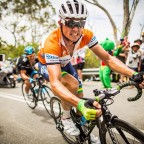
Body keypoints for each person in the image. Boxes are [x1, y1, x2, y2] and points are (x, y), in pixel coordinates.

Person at [37, 0, 144, 142]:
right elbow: (55, 82)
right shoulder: (52, 42)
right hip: (47, 64)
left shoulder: (86, 35)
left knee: (80, 97)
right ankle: (66, 117)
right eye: (70, 23)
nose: (76, 29)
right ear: (60, 22)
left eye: (80, 23)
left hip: (65, 62)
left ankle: (84, 129)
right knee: (72, 86)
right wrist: (78, 104)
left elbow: (108, 59)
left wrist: (134, 74)